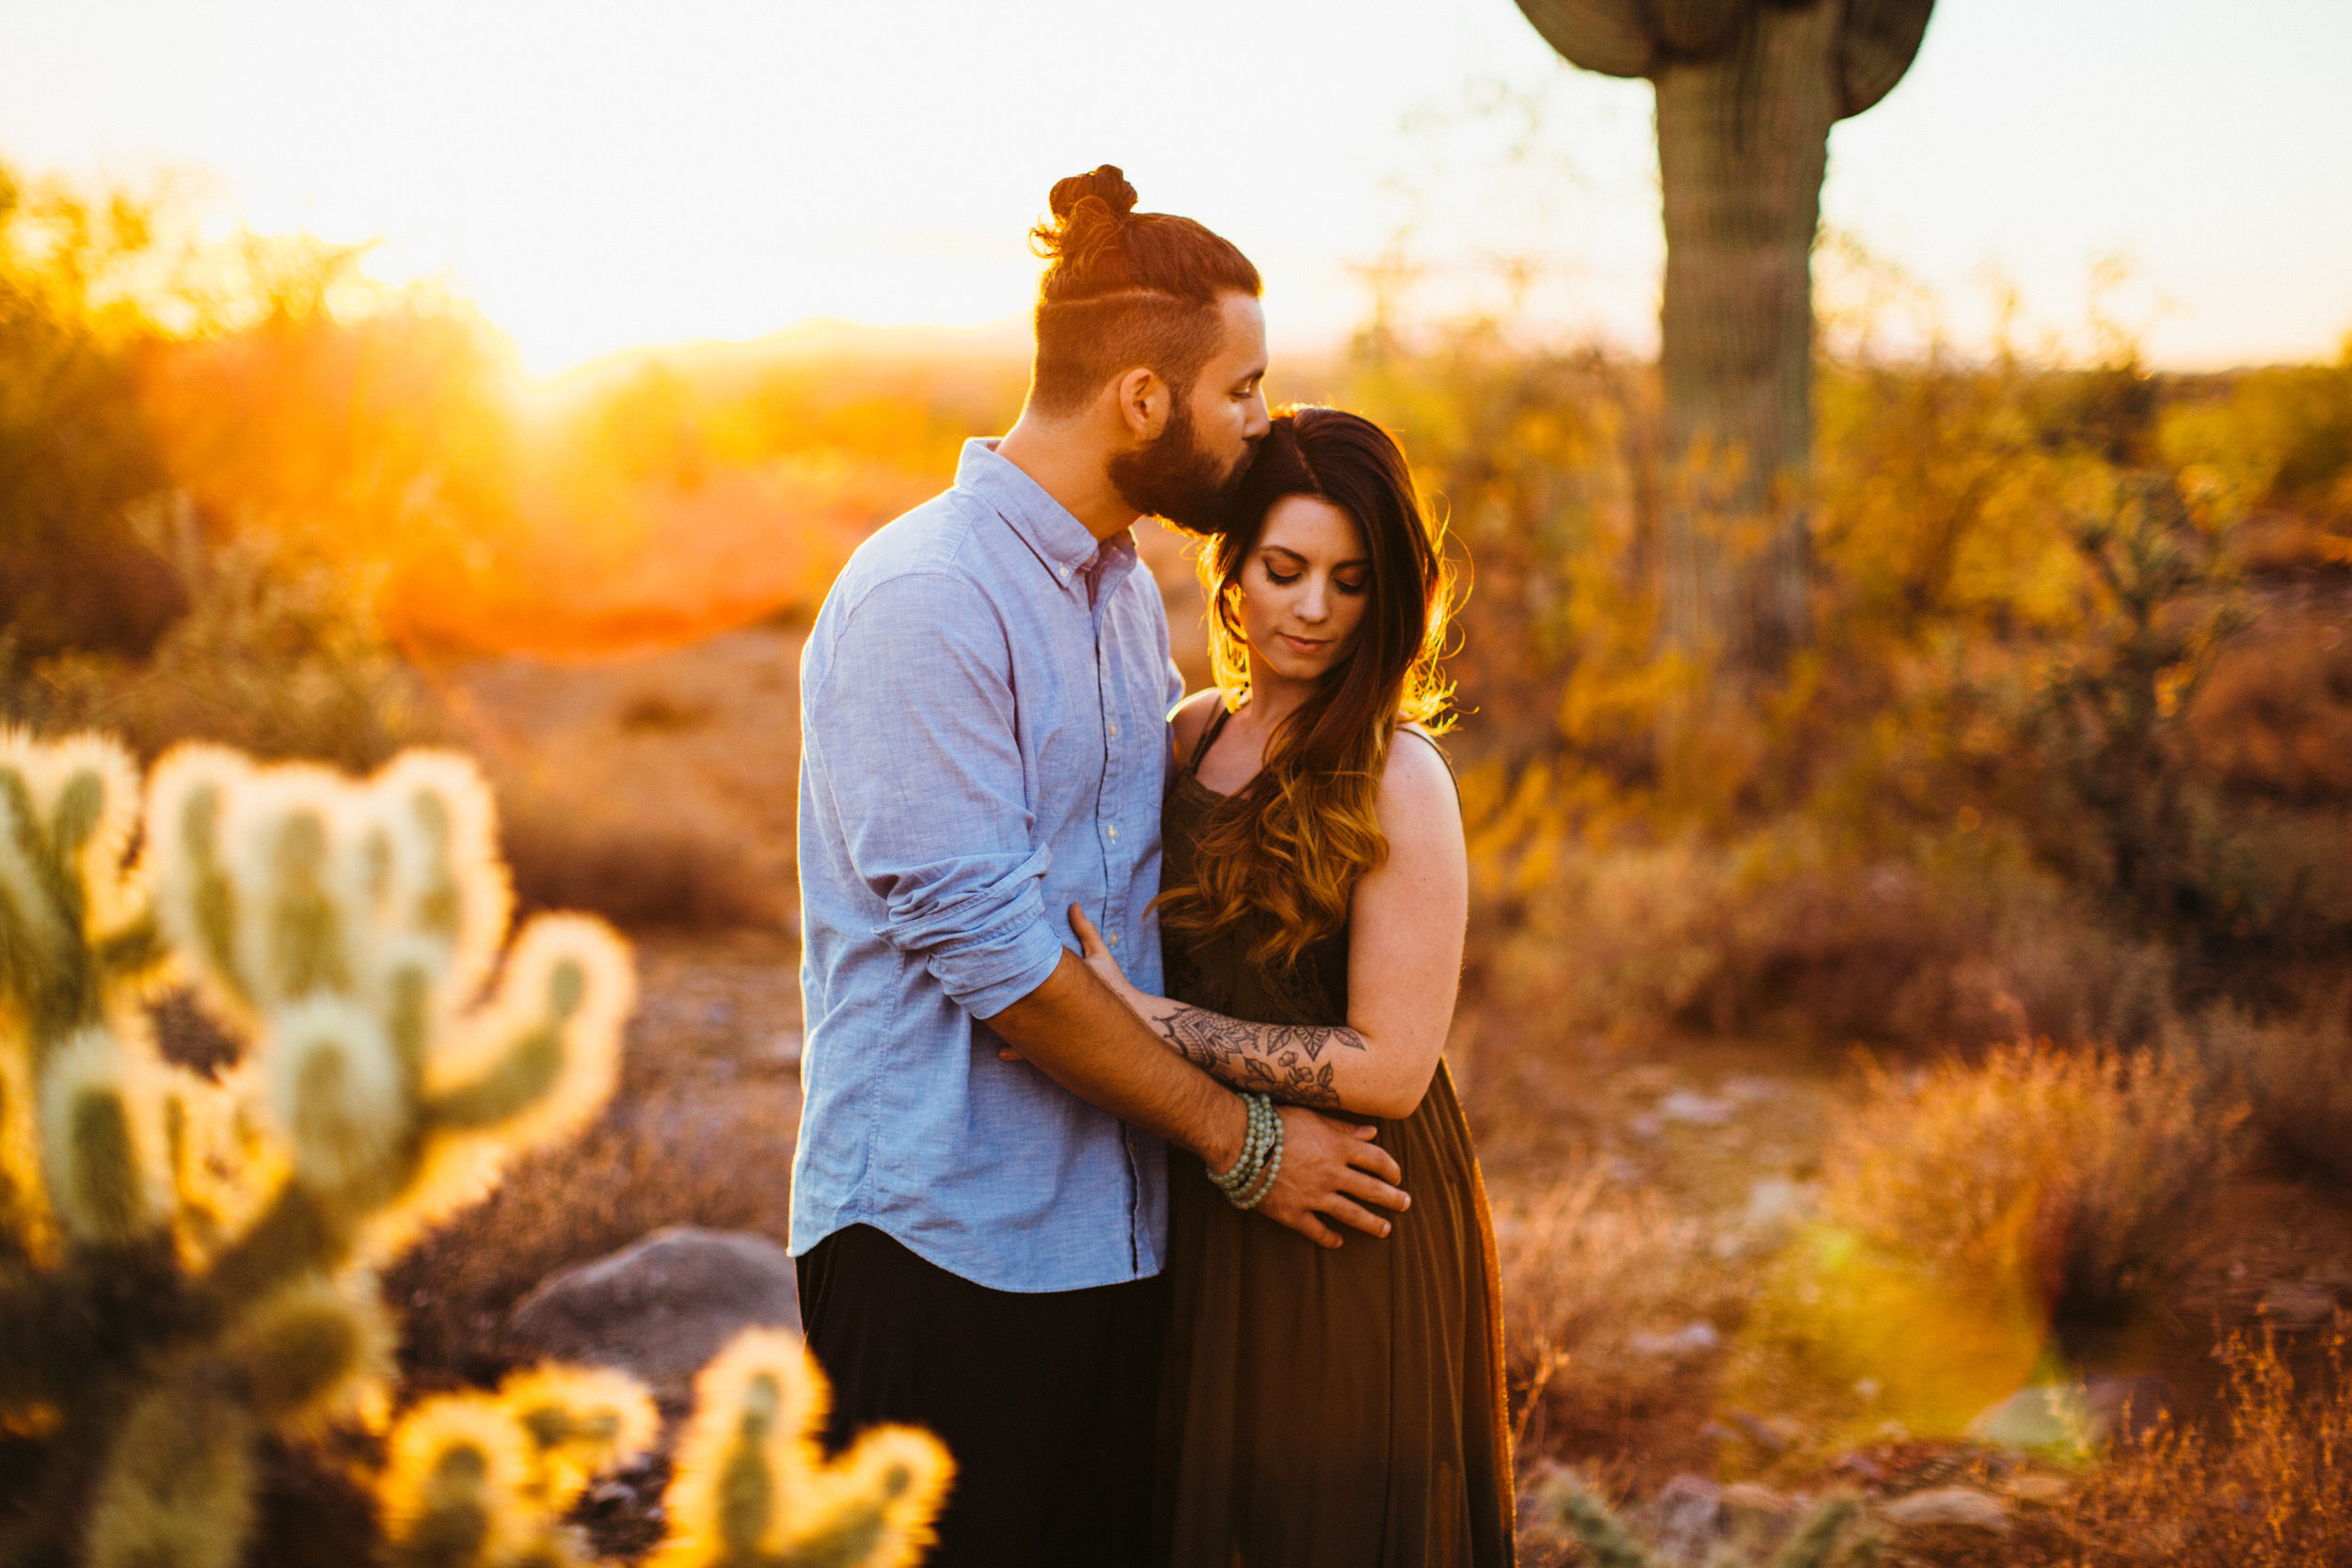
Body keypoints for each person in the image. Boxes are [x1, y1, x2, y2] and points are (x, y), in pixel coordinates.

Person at [789, 167, 1413, 1568]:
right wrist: (1245, 1143)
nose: (1262, 423)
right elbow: (1008, 968)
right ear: (1144, 398)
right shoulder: (925, 599)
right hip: (941, 1245)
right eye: (1242, 390)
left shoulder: (1127, 591)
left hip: (1118, 1242)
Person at [1067, 406, 1515, 1564]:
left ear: (1390, 596)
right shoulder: (1186, 734)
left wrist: (1151, 1022)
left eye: (1350, 579)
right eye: (1285, 569)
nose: (1312, 608)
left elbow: (1392, 1065)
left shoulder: (1397, 774)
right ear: (1231, 576)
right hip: (1208, 1191)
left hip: (1346, 1217)